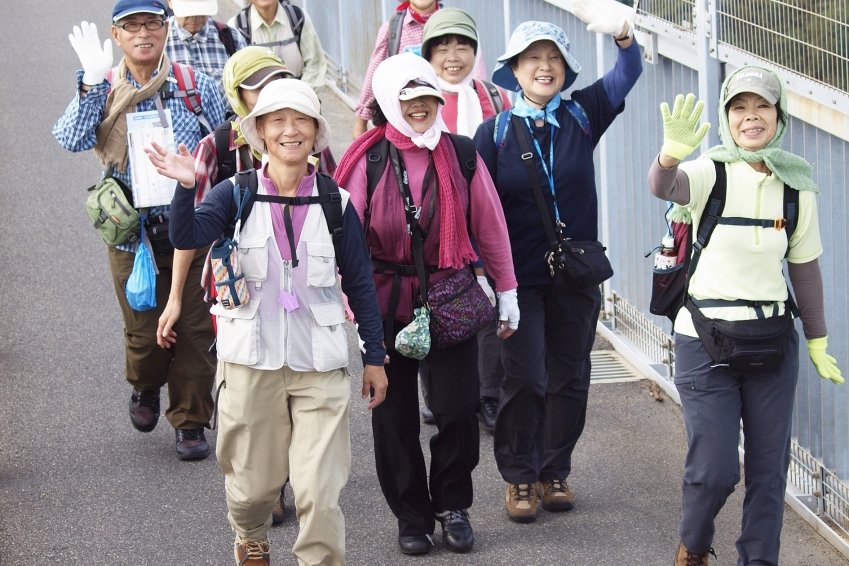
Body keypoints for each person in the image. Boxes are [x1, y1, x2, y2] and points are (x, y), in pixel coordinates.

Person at [146, 78, 389, 566]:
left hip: (318, 363)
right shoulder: (234, 193)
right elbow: (187, 234)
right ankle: (250, 532)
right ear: (259, 130)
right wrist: (185, 186)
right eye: (277, 120)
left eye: (301, 120)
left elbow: (360, 282)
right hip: (250, 361)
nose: (289, 131)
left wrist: (374, 357)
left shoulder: (335, 202)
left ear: (317, 131)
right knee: (254, 486)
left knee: (320, 492)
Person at [648, 67, 844, 566]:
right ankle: (693, 545)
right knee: (714, 470)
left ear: (779, 117)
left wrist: (817, 340)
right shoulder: (709, 172)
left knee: (768, 471)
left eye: (762, 106)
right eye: (739, 107)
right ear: (726, 117)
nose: (751, 116)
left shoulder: (797, 185)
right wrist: (670, 154)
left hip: (773, 339)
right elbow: (663, 185)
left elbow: (805, 269)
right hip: (704, 340)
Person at [334, 52, 519, 555]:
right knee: (393, 418)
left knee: (459, 411)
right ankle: (411, 515)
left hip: (448, 295)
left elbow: (491, 225)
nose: (421, 108)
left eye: (428, 98)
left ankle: (451, 504)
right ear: (392, 103)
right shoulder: (366, 161)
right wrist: (351, 310)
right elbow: (341, 241)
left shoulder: (460, 153)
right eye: (410, 99)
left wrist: (507, 290)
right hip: (384, 303)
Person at [472, 0, 642, 523]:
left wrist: (623, 36)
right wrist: (483, 272)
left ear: (566, 68)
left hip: (575, 275)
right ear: (515, 69)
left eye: (554, 58)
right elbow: (479, 206)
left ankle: (554, 471)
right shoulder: (494, 132)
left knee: (570, 374)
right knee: (524, 377)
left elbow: (628, 73)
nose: (544, 66)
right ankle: (519, 478)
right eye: (532, 58)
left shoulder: (580, 114)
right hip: (517, 276)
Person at [53, 0, 227, 460]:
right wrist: (90, 82)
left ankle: (190, 421)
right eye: (132, 26)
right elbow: (69, 138)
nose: (143, 33)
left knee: (194, 328)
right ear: (117, 37)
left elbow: (232, 140)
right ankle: (146, 385)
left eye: (152, 23)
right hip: (132, 235)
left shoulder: (195, 86)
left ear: (166, 29)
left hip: (192, 227)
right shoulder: (104, 88)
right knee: (144, 329)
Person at [421, 6, 512, 433]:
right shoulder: (415, 101)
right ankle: (437, 392)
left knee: (489, 304)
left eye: (462, 46)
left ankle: (488, 395)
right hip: (435, 224)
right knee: (433, 304)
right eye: (442, 47)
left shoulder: (496, 98)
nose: (453, 56)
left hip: (487, 217)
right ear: (428, 54)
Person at [351, 0, 487, 140]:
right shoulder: (393, 29)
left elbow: (476, 71)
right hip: (412, 116)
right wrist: (361, 122)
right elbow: (374, 72)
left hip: (452, 107)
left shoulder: (455, 23)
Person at [193, 45, 293, 203]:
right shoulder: (213, 148)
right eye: (258, 87)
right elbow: (198, 220)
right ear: (237, 95)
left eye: (275, 85)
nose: (270, 95)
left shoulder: (306, 135)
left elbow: (332, 201)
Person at [228, 0, 328, 92]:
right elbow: (234, 80)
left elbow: (315, 65)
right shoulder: (236, 26)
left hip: (301, 102)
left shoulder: (298, 17)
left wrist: (298, 99)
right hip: (258, 106)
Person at [165, 0, 248, 102]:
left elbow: (247, 86)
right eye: (187, 14)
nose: (194, 19)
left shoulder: (231, 37)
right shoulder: (160, 41)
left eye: (201, 13)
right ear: (170, 2)